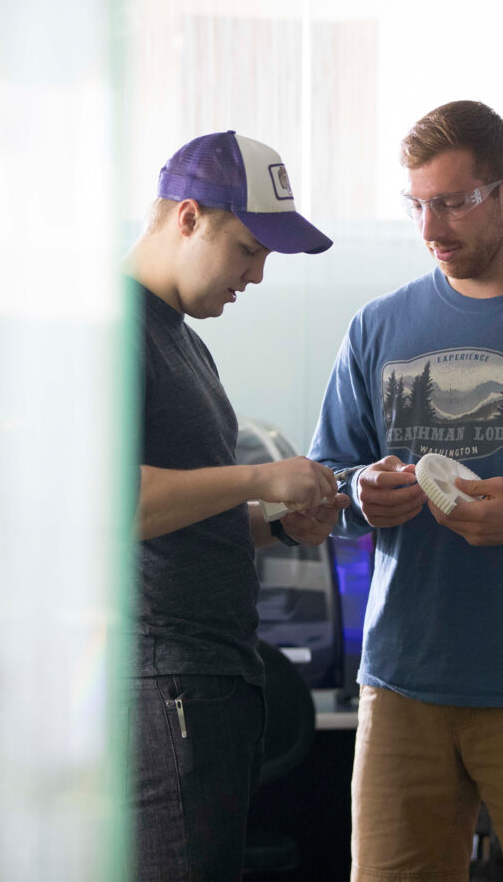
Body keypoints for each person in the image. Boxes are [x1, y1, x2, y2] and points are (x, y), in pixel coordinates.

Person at [308, 101, 503, 881]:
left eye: (454, 202)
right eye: (417, 204)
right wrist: (360, 494)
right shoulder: (376, 327)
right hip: (403, 685)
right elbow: (321, 482)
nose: (432, 228)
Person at [124, 129, 349, 881]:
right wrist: (258, 480)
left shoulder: (184, 340)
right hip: (164, 686)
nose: (255, 277)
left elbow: (182, 518)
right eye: (248, 250)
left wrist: (278, 524)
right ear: (188, 218)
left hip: (211, 682)